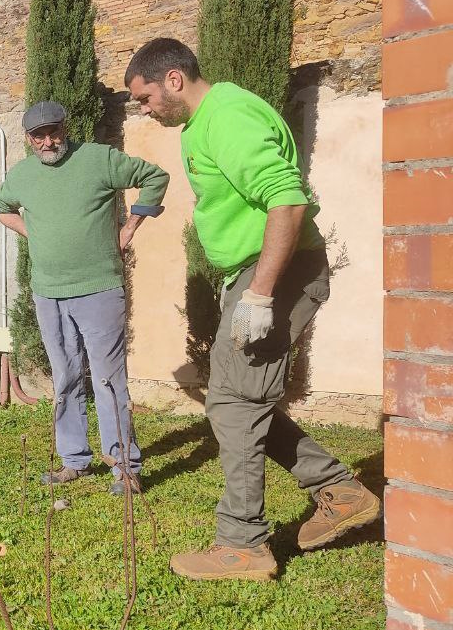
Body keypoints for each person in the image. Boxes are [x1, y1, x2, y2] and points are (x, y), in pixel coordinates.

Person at [124, 38, 380, 581]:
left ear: (173, 78)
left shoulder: (228, 117)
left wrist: (260, 293)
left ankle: (243, 544)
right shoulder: (206, 122)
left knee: (236, 403)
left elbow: (287, 200)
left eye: (145, 97)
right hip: (256, 273)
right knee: (233, 398)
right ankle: (338, 489)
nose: (143, 109)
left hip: (278, 272)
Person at [0, 100, 169, 495]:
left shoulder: (99, 160)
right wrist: (35, 234)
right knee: (66, 378)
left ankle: (124, 467)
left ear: (64, 128)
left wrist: (129, 227)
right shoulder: (21, 176)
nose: (48, 141)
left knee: (108, 379)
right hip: (47, 292)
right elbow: (1, 208)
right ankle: (74, 460)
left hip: (99, 289)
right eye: (39, 135)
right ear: (29, 138)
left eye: (54, 131)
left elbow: (155, 176)